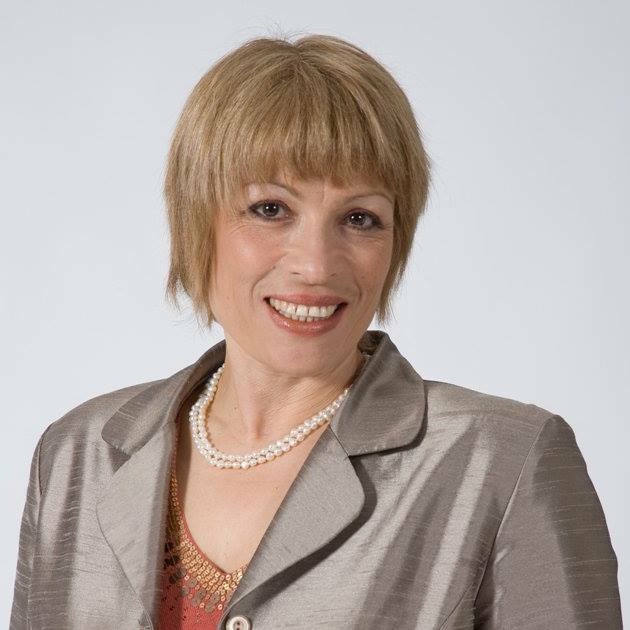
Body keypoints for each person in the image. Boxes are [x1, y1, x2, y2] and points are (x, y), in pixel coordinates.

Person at [10, 34, 622, 630]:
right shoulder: (76, 457)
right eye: (270, 209)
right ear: (195, 222)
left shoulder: (503, 462)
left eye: (360, 218)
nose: (316, 265)